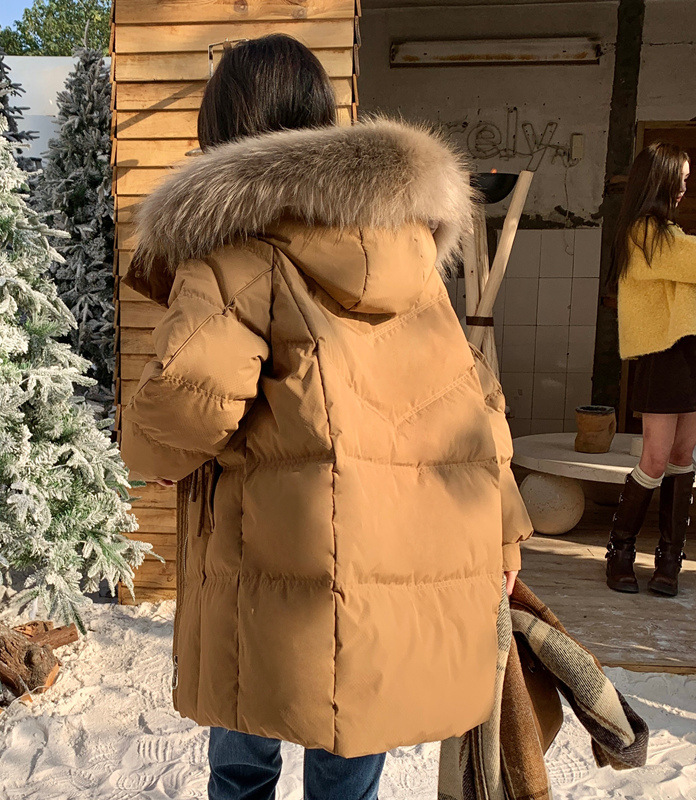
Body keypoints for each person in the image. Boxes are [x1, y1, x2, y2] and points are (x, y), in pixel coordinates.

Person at [120, 34, 533, 800]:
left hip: (266, 564)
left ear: (221, 133)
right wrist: (504, 531)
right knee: (351, 755)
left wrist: (147, 449)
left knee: (243, 759)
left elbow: (181, 405)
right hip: (381, 567)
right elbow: (471, 400)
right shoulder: (407, 251)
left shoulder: (237, 254)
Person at [606, 141, 694, 596]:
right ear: (659, 180)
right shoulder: (644, 233)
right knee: (656, 459)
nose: (684, 188)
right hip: (663, 356)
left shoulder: (669, 233)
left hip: (690, 354)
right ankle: (620, 551)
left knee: (682, 457)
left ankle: (669, 559)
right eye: (680, 179)